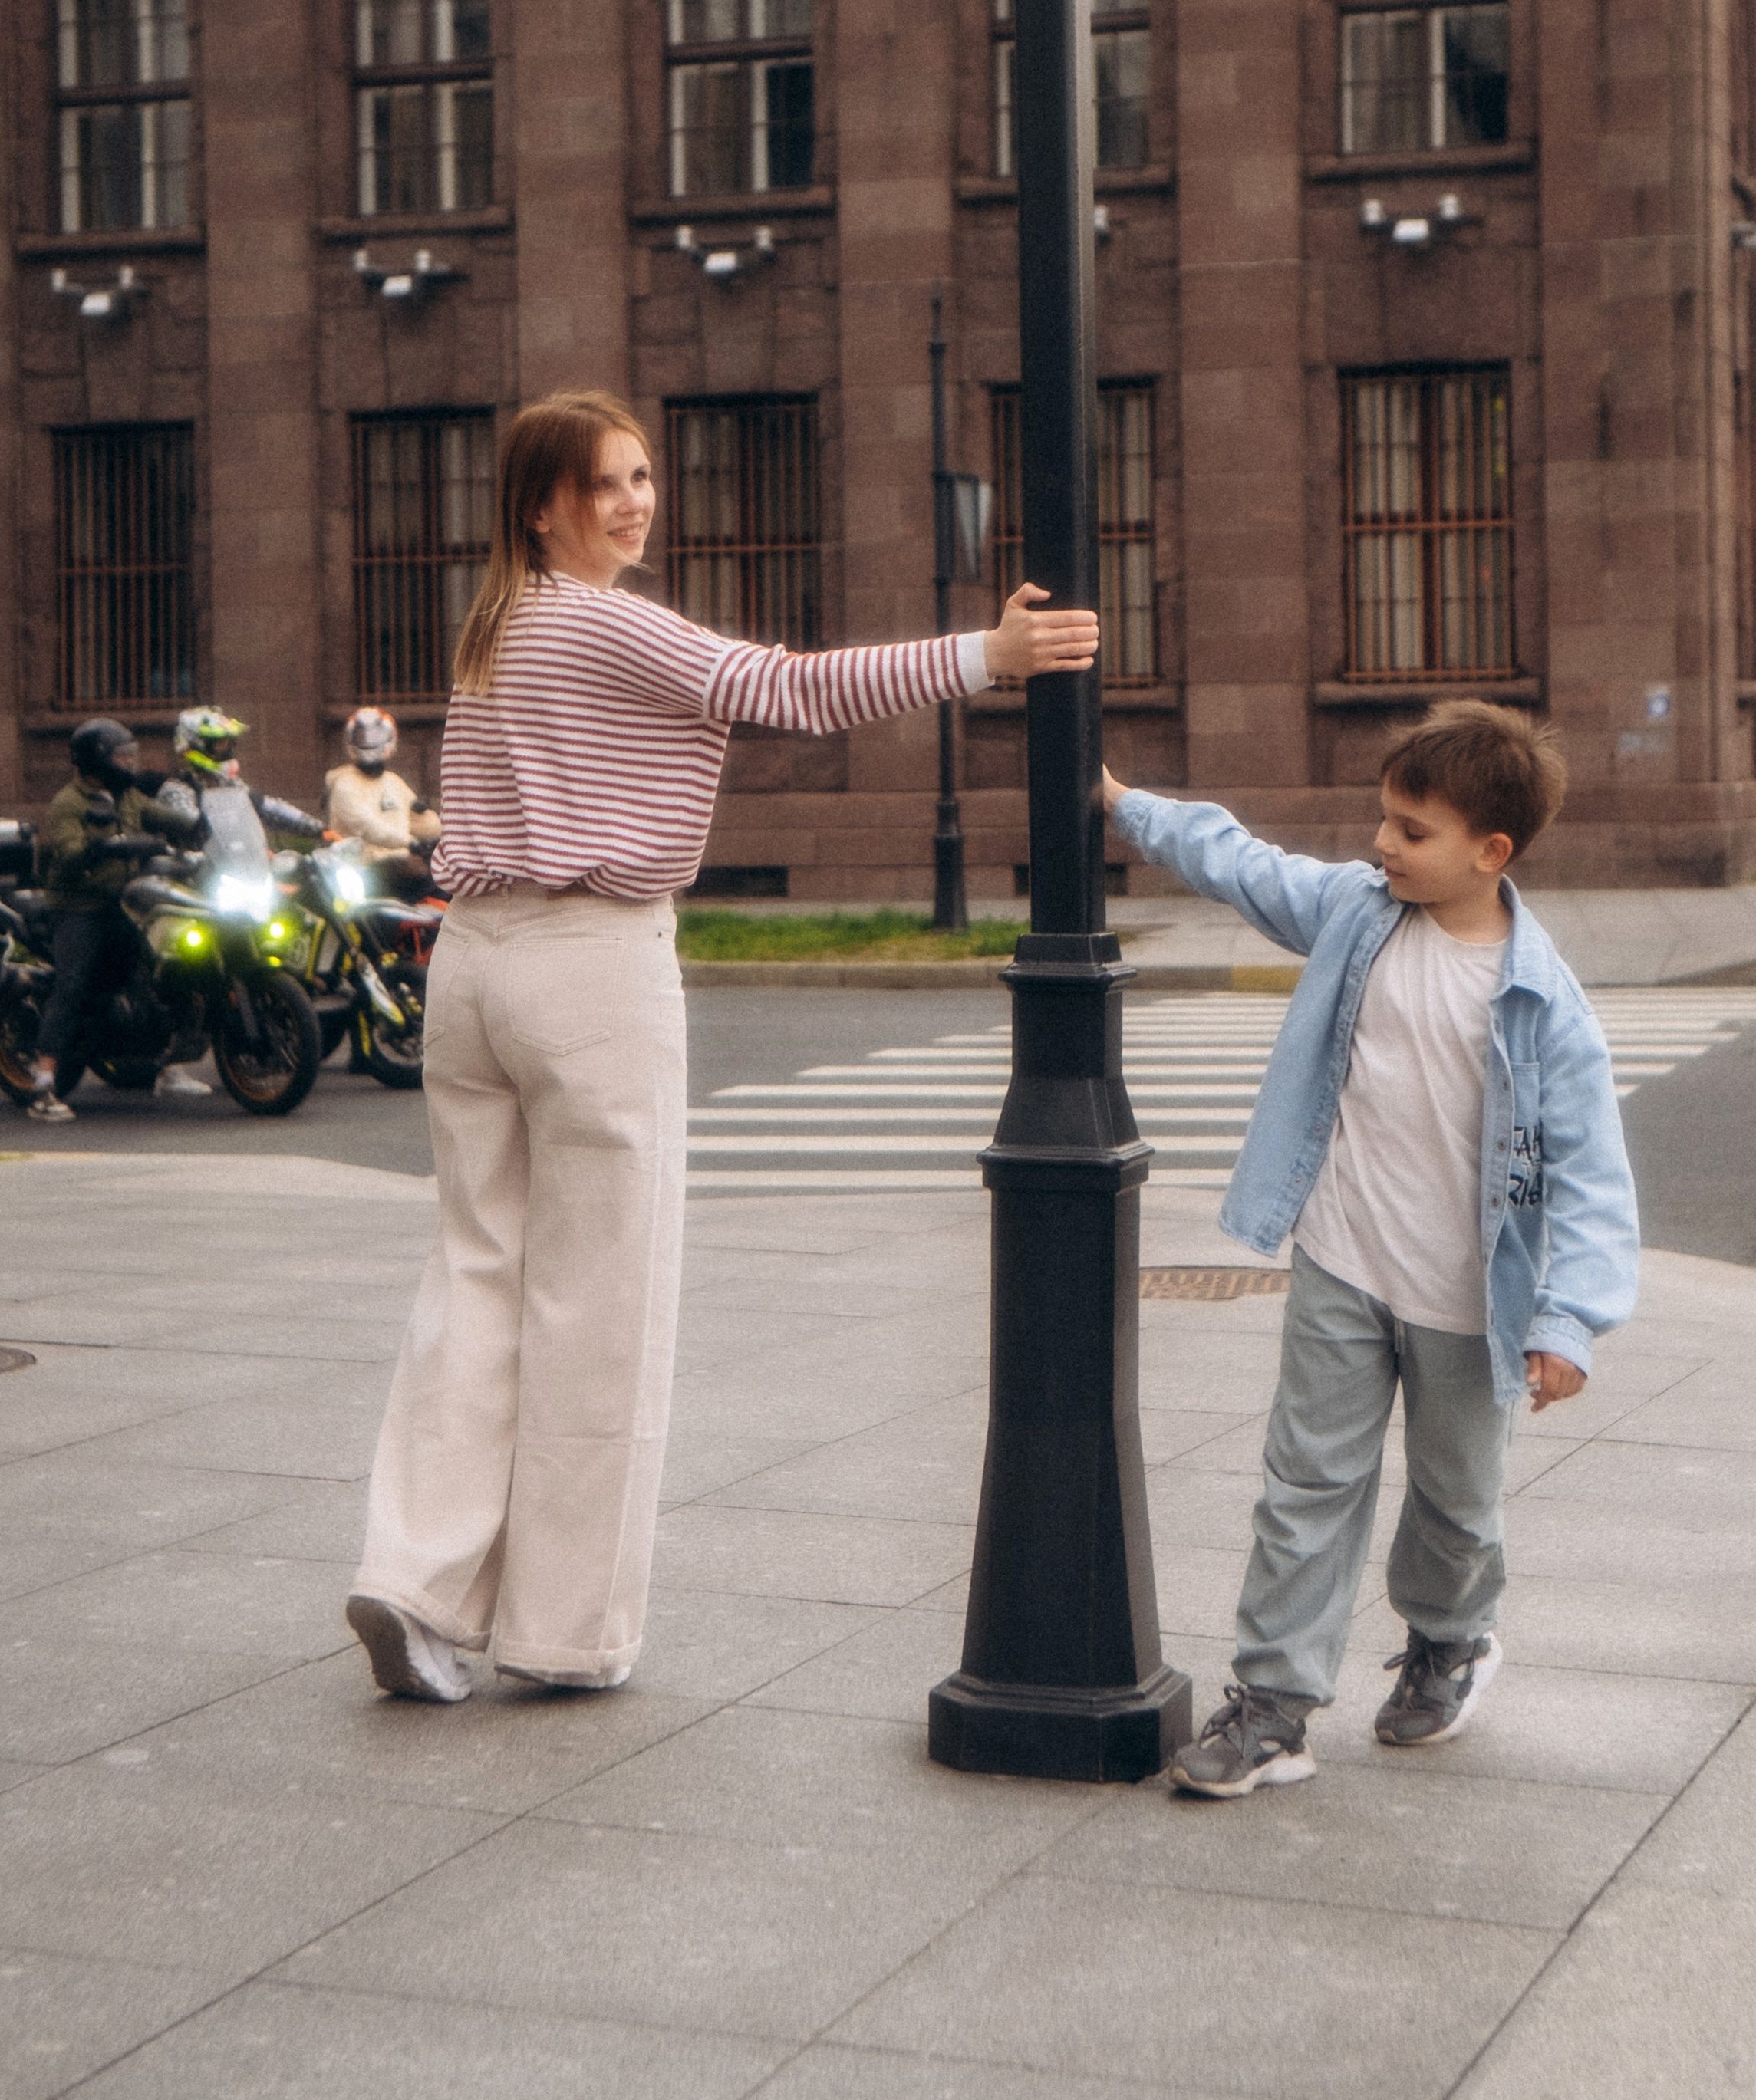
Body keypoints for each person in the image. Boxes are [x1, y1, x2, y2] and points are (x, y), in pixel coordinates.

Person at [345, 387, 1099, 1706]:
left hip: (472, 963)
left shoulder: (493, 630)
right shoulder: (603, 620)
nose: (638, 503)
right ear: (544, 507)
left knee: (474, 1278)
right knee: (600, 1304)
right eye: (608, 485)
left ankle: (412, 1579)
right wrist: (987, 656)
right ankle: (562, 1631)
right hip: (591, 966)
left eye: (643, 477)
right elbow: (785, 690)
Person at [1102, 701, 1639, 1796]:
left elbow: (1592, 1180)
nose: (1383, 845)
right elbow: (1241, 863)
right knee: (1306, 1483)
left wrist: (1569, 1320)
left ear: (1491, 853)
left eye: (1412, 830)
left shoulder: (1546, 1006)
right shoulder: (1357, 913)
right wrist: (1124, 806)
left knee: (1455, 1503)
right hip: (1344, 1259)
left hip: (1468, 1299)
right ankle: (1275, 1707)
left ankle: (1452, 1638)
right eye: (1384, 821)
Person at [28, 719, 205, 1123]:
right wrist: (101, 846)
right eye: (122, 757)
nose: (129, 763)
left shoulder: (128, 797)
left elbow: (164, 816)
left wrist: (196, 824)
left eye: (132, 756)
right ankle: (44, 1084)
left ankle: (166, 1065)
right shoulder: (69, 802)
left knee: (161, 964)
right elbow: (68, 850)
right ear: (97, 760)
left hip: (126, 900)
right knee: (72, 983)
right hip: (79, 904)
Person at [161, 706, 325, 848]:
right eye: (218, 743)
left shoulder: (229, 785)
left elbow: (267, 807)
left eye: (228, 743)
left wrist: (319, 829)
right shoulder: (177, 789)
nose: (226, 750)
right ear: (195, 745)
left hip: (236, 871)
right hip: (192, 873)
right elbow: (196, 827)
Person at [322, 708, 441, 897]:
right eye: (362, 736)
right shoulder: (344, 784)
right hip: (363, 871)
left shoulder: (392, 781)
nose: (369, 742)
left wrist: (435, 827)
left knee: (446, 884)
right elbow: (367, 827)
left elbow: (423, 824)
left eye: (377, 735)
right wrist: (410, 843)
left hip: (401, 865)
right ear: (350, 739)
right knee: (431, 885)